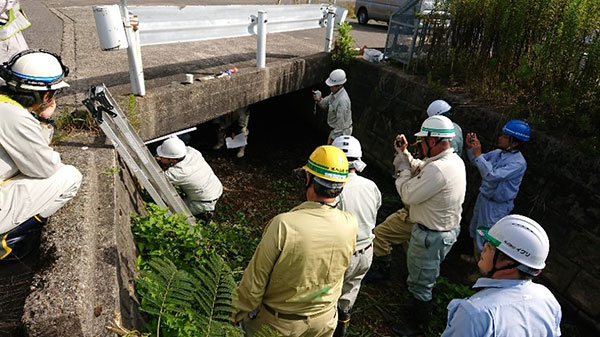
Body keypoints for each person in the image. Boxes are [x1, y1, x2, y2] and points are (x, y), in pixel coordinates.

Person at [234, 145, 358, 337]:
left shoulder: (284, 224)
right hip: (324, 321)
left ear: (308, 179)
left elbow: (254, 282)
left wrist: (235, 313)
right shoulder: (350, 223)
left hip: (279, 324)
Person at [0, 49, 82, 260]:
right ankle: (7, 243)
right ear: (46, 95)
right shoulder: (14, 117)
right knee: (70, 176)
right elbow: (44, 168)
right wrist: (44, 121)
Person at [391, 115, 466, 336]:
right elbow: (422, 169)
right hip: (443, 232)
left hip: (430, 237)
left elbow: (408, 194)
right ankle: (415, 310)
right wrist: (404, 154)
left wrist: (403, 170)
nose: (420, 145)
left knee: (421, 283)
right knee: (423, 277)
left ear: (432, 141)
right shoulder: (452, 162)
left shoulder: (439, 170)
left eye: (422, 141)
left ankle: (417, 327)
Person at [442, 215, 562, 337]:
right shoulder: (547, 299)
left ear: (508, 265)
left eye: (490, 246)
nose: (483, 249)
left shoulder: (474, 314)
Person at [331, 136, 381, 337]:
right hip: (366, 251)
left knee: (330, 294)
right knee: (350, 291)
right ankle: (341, 330)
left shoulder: (336, 189)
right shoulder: (371, 185)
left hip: (344, 253)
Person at [462, 120, 529, 264]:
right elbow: (478, 163)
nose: (500, 138)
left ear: (515, 143)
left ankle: (482, 271)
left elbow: (492, 176)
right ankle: (476, 259)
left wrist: (478, 155)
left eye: (505, 136)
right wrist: (471, 149)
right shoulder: (498, 153)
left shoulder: (518, 163)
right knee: (475, 229)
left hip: (496, 206)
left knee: (486, 236)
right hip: (484, 198)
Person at [156, 136, 223, 221]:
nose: (159, 157)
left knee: (172, 214)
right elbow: (179, 146)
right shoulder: (192, 152)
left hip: (203, 201)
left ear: (173, 161)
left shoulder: (178, 173)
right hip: (215, 187)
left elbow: (156, 180)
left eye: (162, 156)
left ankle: (204, 213)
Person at [313, 69, 352, 145]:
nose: (330, 88)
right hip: (335, 131)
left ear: (340, 85)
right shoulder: (334, 93)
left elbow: (341, 125)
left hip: (341, 134)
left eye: (332, 86)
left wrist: (332, 139)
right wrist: (318, 100)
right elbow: (324, 104)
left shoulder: (342, 101)